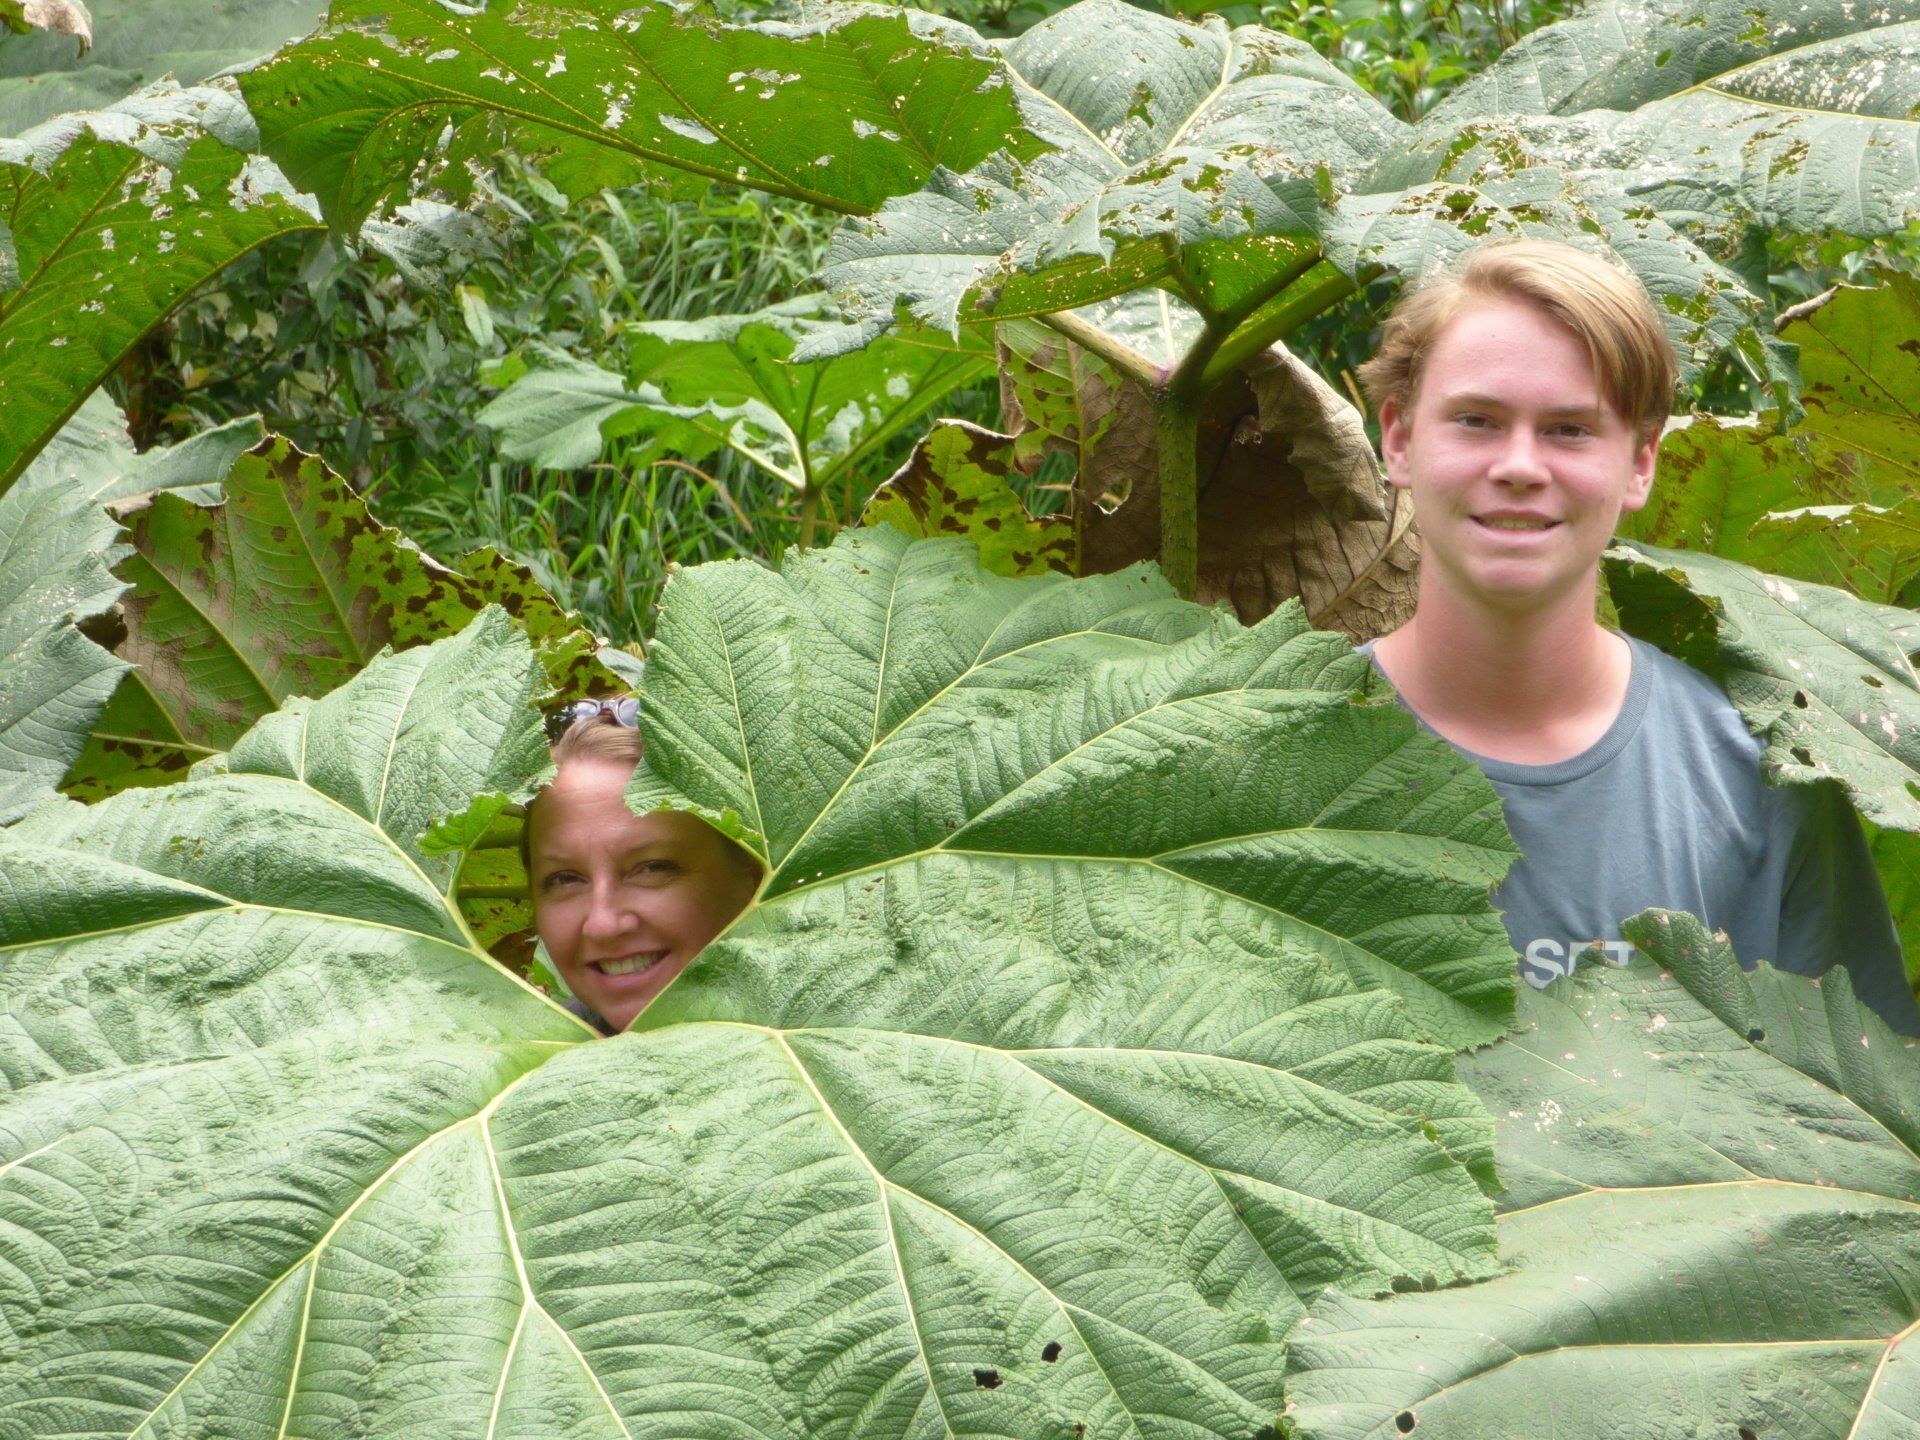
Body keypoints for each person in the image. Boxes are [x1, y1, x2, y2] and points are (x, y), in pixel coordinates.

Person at [1356, 239, 1920, 1032]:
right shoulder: (1279, 750)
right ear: (1400, 440)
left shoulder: (1767, 778)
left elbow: (1858, 1120)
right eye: (1477, 420)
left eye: (1570, 431)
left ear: (1641, 461)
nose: (1520, 465)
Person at [524, 698, 761, 1033]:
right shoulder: (519, 1074)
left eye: (652, 868)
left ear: (754, 873)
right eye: (564, 879)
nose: (603, 925)